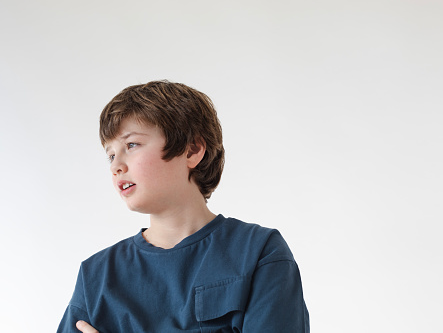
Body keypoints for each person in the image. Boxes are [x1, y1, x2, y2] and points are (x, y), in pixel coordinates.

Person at [57, 80, 310, 333]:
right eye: (110, 155)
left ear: (192, 150)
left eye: (131, 145)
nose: (116, 166)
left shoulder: (258, 252)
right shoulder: (96, 276)